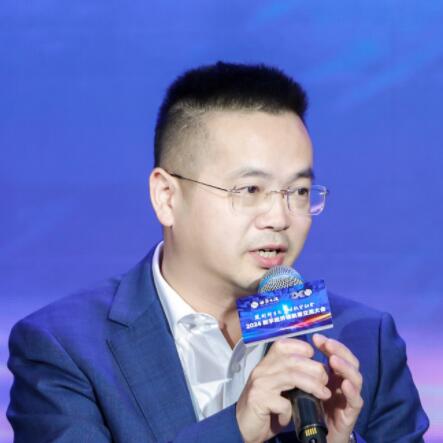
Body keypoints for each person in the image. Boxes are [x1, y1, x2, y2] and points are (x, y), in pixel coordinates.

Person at [7, 62, 429, 443]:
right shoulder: (64, 347)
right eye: (250, 189)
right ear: (166, 196)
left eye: (299, 191)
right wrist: (236, 429)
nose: (280, 217)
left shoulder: (365, 343)